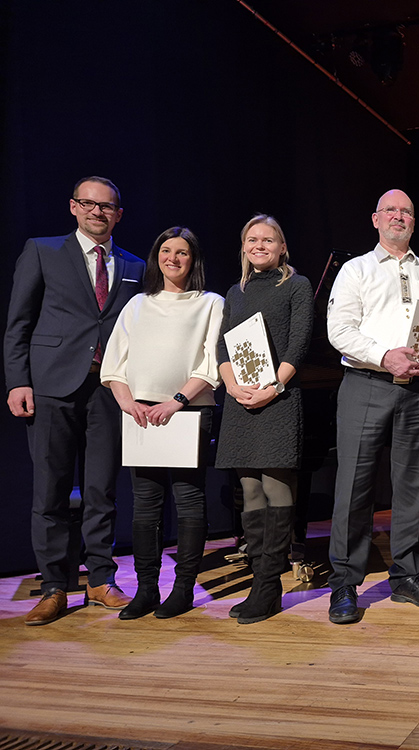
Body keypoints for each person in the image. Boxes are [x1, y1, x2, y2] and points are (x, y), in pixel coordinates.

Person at [5, 176, 145, 626]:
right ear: (73, 207)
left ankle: (101, 579)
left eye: (106, 206)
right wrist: (17, 381)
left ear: (118, 214)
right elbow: (18, 323)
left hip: (107, 390)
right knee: (51, 491)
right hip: (50, 387)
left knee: (102, 490)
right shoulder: (43, 250)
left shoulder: (135, 265)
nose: (96, 212)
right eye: (88, 204)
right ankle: (54, 586)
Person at [326, 189, 419, 625]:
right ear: (375, 219)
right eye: (391, 210)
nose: (399, 216)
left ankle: (406, 576)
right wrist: (385, 355)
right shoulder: (356, 270)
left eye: (407, 211)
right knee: (354, 487)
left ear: (413, 221)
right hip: (367, 384)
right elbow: (339, 330)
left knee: (412, 486)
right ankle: (345, 583)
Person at [100, 227, 224, 620]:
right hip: (141, 414)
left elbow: (211, 362)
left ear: (194, 259)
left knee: (188, 501)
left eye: (182, 252)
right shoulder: (137, 304)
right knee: (146, 505)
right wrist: (128, 404)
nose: (173, 258)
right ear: (157, 257)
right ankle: (147, 590)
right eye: (166, 251)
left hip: (187, 410)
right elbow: (113, 364)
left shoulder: (211, 303)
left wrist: (177, 401)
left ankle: (183, 589)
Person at [217, 214, 313, 625]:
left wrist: (273, 387)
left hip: (277, 399)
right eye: (252, 240)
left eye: (268, 240)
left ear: (282, 247)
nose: (259, 246)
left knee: (275, 488)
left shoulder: (295, 285)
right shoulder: (234, 292)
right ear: (243, 247)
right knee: (249, 492)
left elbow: (300, 341)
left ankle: (270, 584)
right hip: (241, 402)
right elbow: (223, 348)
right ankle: (261, 582)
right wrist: (233, 386)